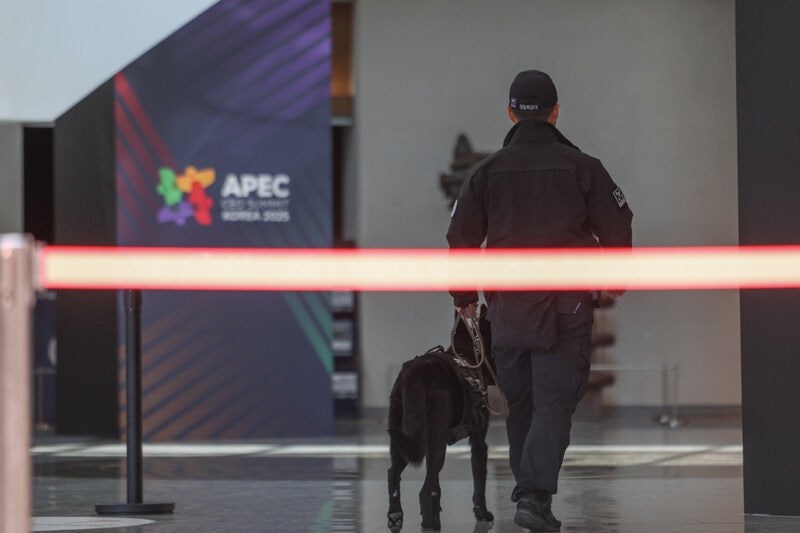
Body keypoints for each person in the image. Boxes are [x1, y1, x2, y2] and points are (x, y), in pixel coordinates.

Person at [446, 69, 633, 532]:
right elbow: (618, 227)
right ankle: (533, 496)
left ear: (510, 112)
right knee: (554, 403)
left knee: (522, 406)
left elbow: (460, 240)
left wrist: (464, 297)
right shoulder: (585, 167)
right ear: (555, 112)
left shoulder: (484, 173)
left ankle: (533, 498)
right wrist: (617, 279)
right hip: (565, 303)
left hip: (507, 306)